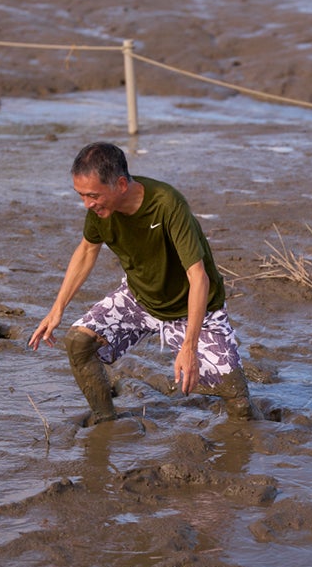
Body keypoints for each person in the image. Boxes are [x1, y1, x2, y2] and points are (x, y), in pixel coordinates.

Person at [28, 142, 257, 423]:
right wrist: (57, 309)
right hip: (139, 298)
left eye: (92, 195)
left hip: (191, 307)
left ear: (121, 184)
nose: (87, 204)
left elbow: (198, 277)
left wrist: (188, 347)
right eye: (81, 196)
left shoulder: (167, 205)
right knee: (78, 342)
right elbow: (87, 250)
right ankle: (105, 420)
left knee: (236, 397)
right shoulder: (99, 211)